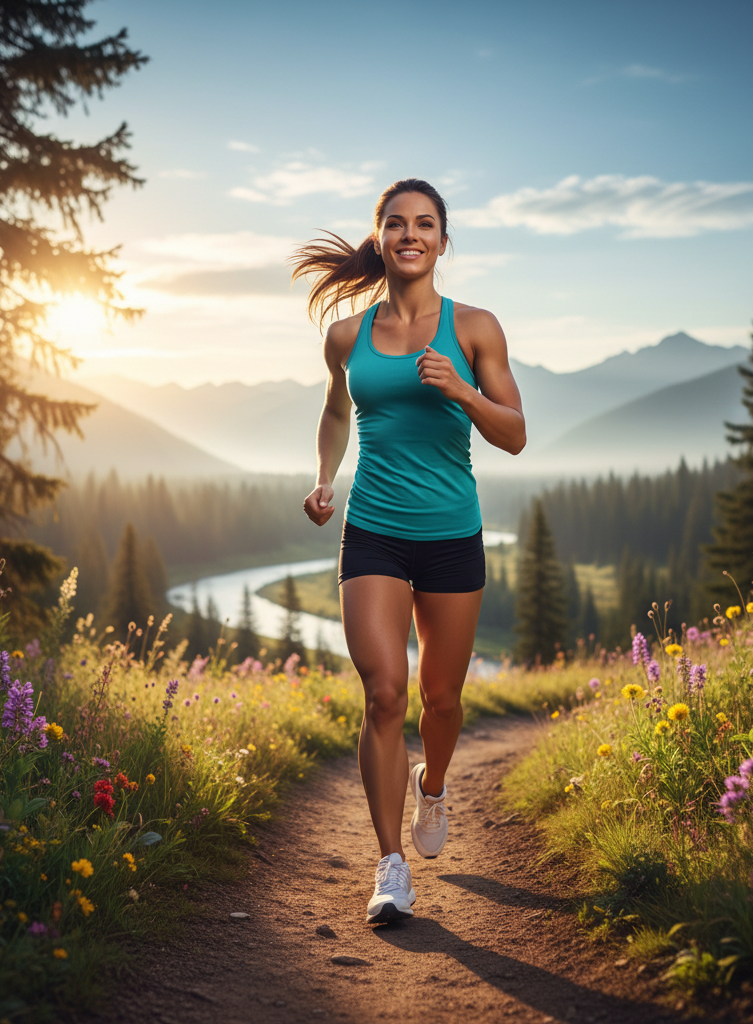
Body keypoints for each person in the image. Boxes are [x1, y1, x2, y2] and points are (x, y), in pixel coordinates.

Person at [291, 178, 526, 924]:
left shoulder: (477, 328)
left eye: (425, 224)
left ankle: (432, 787)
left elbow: (514, 433)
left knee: (442, 701)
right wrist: (325, 478)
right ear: (381, 237)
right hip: (374, 535)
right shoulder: (347, 337)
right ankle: (390, 864)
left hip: (453, 536)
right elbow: (336, 410)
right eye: (396, 223)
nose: (410, 234)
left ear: (442, 242)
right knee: (385, 692)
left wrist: (460, 389)